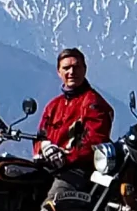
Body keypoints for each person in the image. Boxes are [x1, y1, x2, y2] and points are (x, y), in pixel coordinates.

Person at [38, 48, 116, 201]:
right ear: (59, 72)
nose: (71, 72)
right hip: (50, 166)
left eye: (76, 67)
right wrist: (44, 148)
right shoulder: (53, 106)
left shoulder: (94, 103)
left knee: (52, 206)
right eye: (66, 68)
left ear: (84, 70)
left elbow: (95, 141)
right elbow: (40, 136)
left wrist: (65, 157)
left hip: (79, 170)